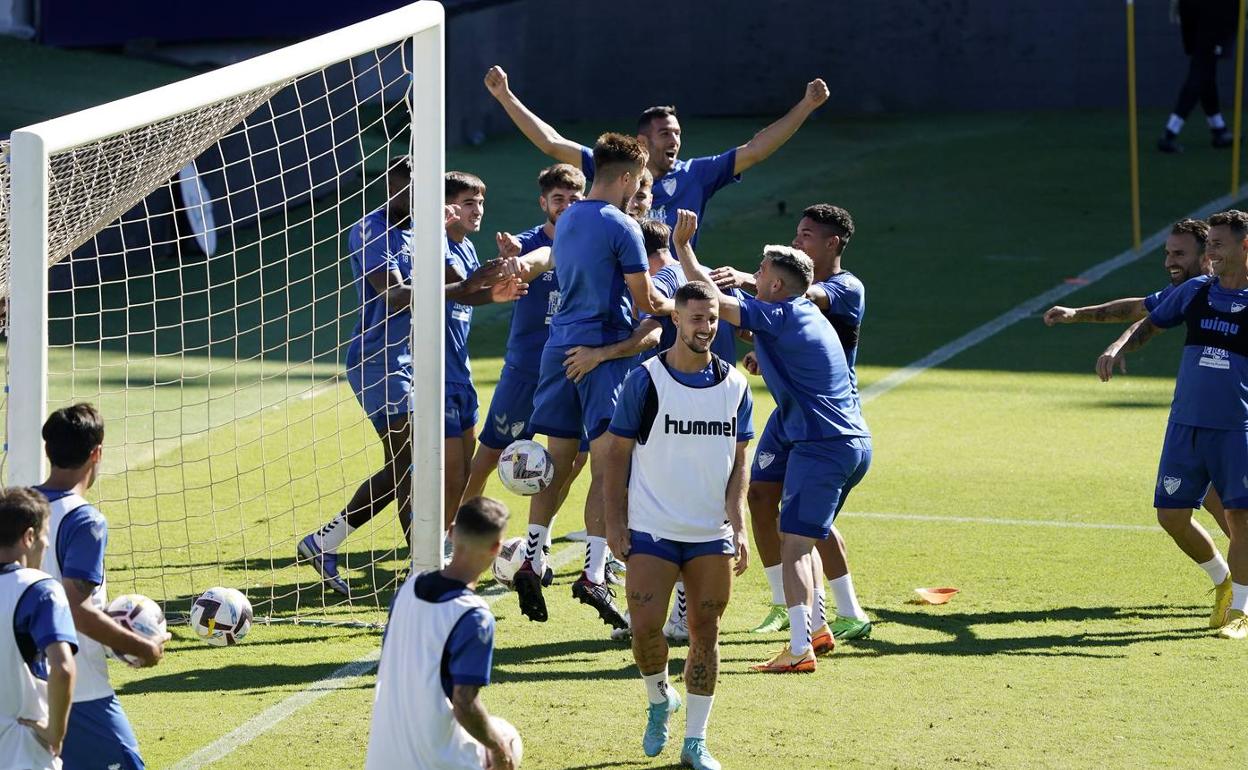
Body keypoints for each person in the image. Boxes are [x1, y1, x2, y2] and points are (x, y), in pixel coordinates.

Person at [300, 162, 522, 592]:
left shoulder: (426, 232)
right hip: (380, 358)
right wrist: (465, 286)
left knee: (411, 463)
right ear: (392, 188)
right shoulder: (372, 230)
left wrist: (495, 287)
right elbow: (397, 296)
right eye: (411, 191)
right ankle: (425, 566)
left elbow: (462, 286)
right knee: (416, 463)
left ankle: (326, 541)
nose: (419, 201)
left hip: (416, 362)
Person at [671, 210, 871, 672]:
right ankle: (816, 630)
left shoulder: (783, 312)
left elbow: (710, 300)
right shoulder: (801, 314)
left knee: (796, 543)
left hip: (823, 443)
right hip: (832, 438)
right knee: (788, 522)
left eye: (760, 273)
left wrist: (684, 249)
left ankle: (800, 648)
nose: (754, 277)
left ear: (777, 286)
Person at [510, 133, 673, 629]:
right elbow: (646, 301)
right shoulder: (623, 226)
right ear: (626, 177)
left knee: (556, 459)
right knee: (609, 465)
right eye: (638, 182)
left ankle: (533, 555)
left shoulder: (570, 217)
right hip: (601, 353)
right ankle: (595, 571)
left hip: (557, 348)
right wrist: (679, 306)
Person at [604, 281, 751, 770]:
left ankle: (695, 742)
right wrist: (615, 524)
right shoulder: (646, 380)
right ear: (677, 321)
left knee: (705, 635)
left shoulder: (735, 385)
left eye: (711, 319)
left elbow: (739, 462)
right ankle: (659, 698)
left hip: (711, 535)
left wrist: (740, 525)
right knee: (645, 632)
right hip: (651, 530)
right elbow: (615, 455)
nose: (705, 328)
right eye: (695, 319)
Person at [1045, 220, 1231, 586]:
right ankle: (1228, 585)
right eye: (1167, 253)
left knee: (1227, 506)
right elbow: (1143, 312)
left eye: (1179, 254)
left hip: (1234, 420)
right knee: (1198, 505)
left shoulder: (1235, 291)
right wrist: (1080, 316)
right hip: (1199, 418)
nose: (1169, 262)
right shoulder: (1192, 291)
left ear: (1208, 254)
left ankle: (1236, 590)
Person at [1102, 209, 1248, 638]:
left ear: (1245, 247)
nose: (1211, 253)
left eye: (1218, 245)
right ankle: (1223, 580)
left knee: (1241, 520)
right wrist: (1119, 345)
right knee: (1171, 516)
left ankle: (1241, 609)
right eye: (1210, 245)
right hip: (1185, 426)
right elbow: (1149, 323)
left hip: (1236, 428)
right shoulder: (1197, 292)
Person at [484, 65, 829, 235]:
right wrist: (504, 96)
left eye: (678, 133)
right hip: (623, 292)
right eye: (666, 133)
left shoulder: (696, 174)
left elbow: (756, 149)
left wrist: (805, 106)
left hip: (675, 292)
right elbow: (551, 142)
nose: (675, 141)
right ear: (643, 142)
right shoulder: (613, 167)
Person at [36, 403, 166, 770]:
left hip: (19, 685)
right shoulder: (85, 520)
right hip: (78, 691)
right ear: (97, 453)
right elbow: (75, 609)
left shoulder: (16, 507)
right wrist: (143, 646)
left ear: (49, 450)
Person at [462, 164, 590, 518]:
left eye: (573, 199)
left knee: (576, 457)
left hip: (573, 369)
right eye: (557, 199)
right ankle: (454, 528)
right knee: (489, 453)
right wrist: (509, 261)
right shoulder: (527, 243)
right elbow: (508, 274)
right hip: (527, 367)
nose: (565, 205)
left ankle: (539, 538)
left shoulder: (590, 244)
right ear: (543, 202)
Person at [365, 496, 522, 769]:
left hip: (381, 759)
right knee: (505, 738)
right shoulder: (474, 616)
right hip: (436, 763)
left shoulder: (408, 590)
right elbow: (464, 703)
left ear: (450, 531)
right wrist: (498, 749)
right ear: (497, 548)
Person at [1, 486, 77, 770]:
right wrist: (55, 732)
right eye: (44, 537)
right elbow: (63, 668)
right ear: (29, 537)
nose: (45, 546)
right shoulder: (39, 590)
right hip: (23, 754)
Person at [1157, 0, 1238, 153]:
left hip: (1192, 7)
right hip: (1215, 8)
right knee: (1202, 67)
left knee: (1205, 66)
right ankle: (1169, 133)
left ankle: (1218, 129)